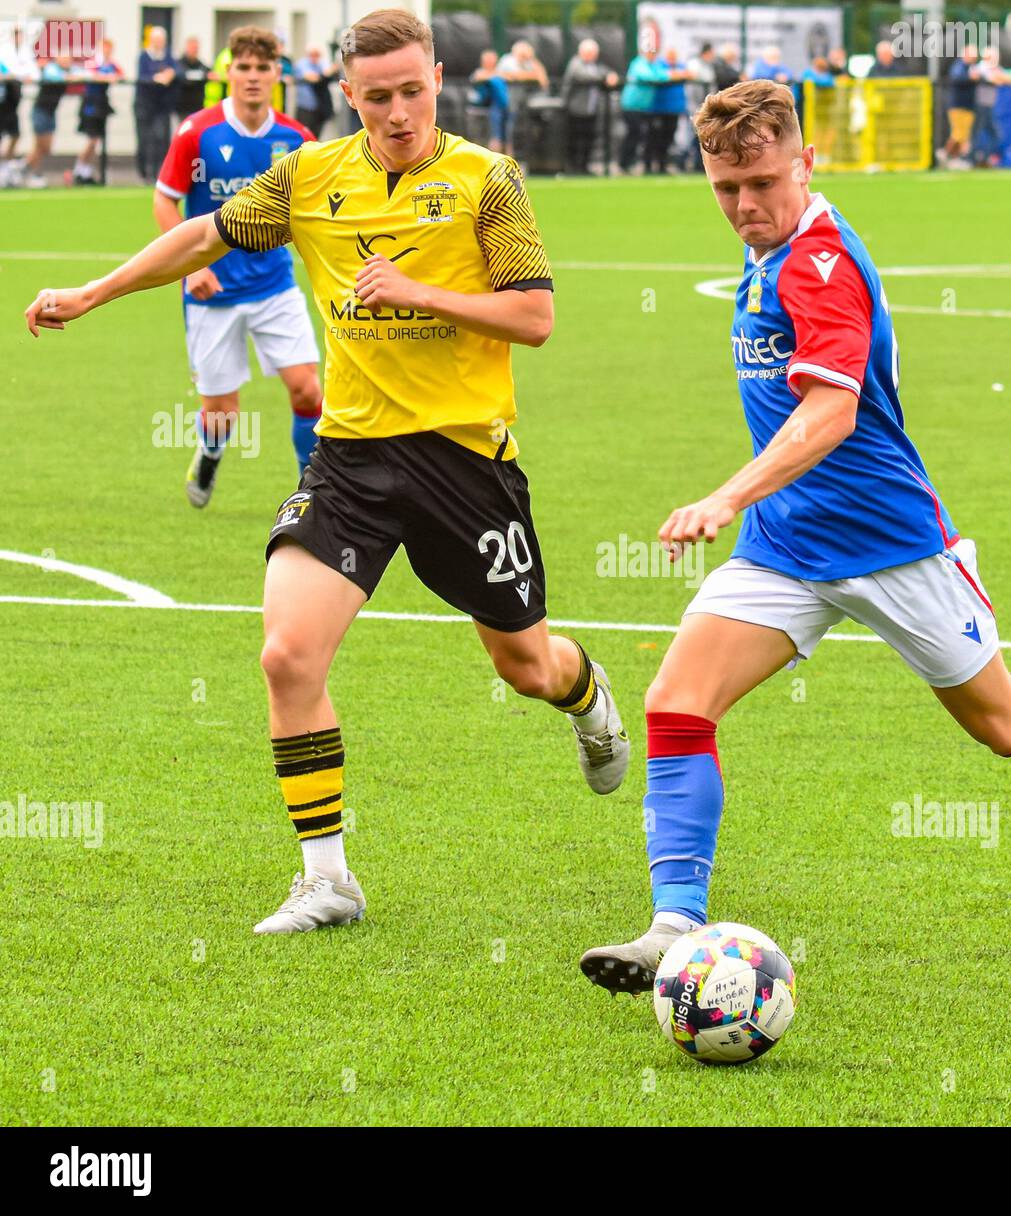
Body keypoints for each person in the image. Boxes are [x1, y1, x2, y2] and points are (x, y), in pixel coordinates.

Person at [26, 8, 630, 934]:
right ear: (348, 95)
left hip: (466, 462)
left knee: (525, 666)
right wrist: (93, 292)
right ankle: (327, 879)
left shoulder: (487, 180)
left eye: (412, 91)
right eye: (377, 96)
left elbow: (535, 317)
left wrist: (415, 290)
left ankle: (587, 697)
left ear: (437, 78)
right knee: (287, 653)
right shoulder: (309, 177)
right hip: (349, 459)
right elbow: (201, 238)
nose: (397, 112)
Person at [578, 79, 1011, 991]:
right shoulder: (771, 256)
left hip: (891, 544)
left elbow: (833, 412)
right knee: (676, 703)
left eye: (762, 181)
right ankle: (674, 927)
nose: (745, 206)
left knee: (1003, 726)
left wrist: (725, 497)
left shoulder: (821, 262)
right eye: (725, 188)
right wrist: (754, 511)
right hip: (785, 546)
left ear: (807, 162)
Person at [152, 25, 321, 507]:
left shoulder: (298, 140)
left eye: (261, 68)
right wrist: (191, 268)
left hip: (274, 285)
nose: (251, 77)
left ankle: (312, 492)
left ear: (277, 74)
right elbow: (166, 204)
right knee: (223, 411)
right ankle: (208, 453)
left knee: (308, 389)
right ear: (228, 73)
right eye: (241, 67)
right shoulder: (197, 131)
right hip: (211, 291)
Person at [69, 40, 124, 186]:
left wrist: (113, 76)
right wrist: (106, 77)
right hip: (90, 105)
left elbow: (121, 74)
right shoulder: (94, 62)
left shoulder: (111, 64)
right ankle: (78, 170)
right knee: (92, 139)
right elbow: (88, 74)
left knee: (97, 140)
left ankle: (86, 171)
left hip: (102, 105)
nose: (107, 51)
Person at [561, 38, 617, 174]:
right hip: (575, 110)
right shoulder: (575, 64)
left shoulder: (596, 66)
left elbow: (607, 72)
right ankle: (572, 168)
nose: (592, 56)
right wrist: (604, 78)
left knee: (588, 139)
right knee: (575, 139)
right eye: (589, 52)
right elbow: (583, 76)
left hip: (591, 110)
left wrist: (611, 75)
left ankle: (584, 167)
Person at [21, 54, 73, 188]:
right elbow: (51, 75)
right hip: (41, 111)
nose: (67, 62)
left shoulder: (69, 71)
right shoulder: (52, 69)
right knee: (39, 146)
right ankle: (29, 172)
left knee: (46, 148)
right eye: (64, 59)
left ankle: (21, 168)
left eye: (68, 59)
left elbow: (84, 73)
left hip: (51, 113)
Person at [134, 26, 177, 182]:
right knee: (145, 139)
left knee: (162, 139)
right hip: (144, 105)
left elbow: (177, 71)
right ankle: (145, 173)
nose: (159, 43)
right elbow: (141, 77)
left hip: (162, 106)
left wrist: (171, 74)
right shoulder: (144, 57)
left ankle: (160, 173)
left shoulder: (168, 57)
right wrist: (156, 78)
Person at [619, 42, 666, 173]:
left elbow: (662, 74)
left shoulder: (653, 65)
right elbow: (650, 76)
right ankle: (624, 163)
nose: (652, 55)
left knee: (644, 134)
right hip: (631, 106)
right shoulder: (638, 64)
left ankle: (636, 163)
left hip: (644, 108)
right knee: (633, 133)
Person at [0, 26, 36, 186]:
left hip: (13, 101)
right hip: (2, 101)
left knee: (15, 134)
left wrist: (21, 76)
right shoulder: (4, 53)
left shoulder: (25, 53)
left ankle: (6, 167)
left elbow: (33, 73)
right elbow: (8, 72)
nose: (18, 38)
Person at [469, 49, 511, 154]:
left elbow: (511, 77)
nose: (489, 61)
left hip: (496, 106)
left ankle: (499, 141)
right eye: (487, 59)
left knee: (498, 111)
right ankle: (497, 141)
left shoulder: (499, 72)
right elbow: (476, 79)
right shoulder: (479, 72)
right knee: (496, 83)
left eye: (491, 59)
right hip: (482, 102)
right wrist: (495, 76)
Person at [944, 43, 979, 166]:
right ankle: (946, 156)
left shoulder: (972, 67)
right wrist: (970, 77)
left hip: (968, 106)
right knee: (958, 134)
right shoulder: (959, 65)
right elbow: (956, 78)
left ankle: (958, 159)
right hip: (958, 105)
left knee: (964, 136)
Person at [294, 44, 338, 137]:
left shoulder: (322, 63)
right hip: (305, 107)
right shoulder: (302, 64)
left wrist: (326, 73)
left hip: (320, 107)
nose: (315, 57)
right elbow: (313, 77)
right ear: (307, 54)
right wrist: (325, 74)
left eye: (317, 55)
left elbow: (331, 71)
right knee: (303, 135)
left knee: (316, 135)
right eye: (312, 54)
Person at [175, 37, 209, 119]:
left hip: (198, 107)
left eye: (196, 48)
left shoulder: (201, 65)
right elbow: (185, 77)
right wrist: (203, 76)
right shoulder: (179, 63)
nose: (195, 50)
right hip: (182, 108)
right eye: (192, 48)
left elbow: (209, 73)